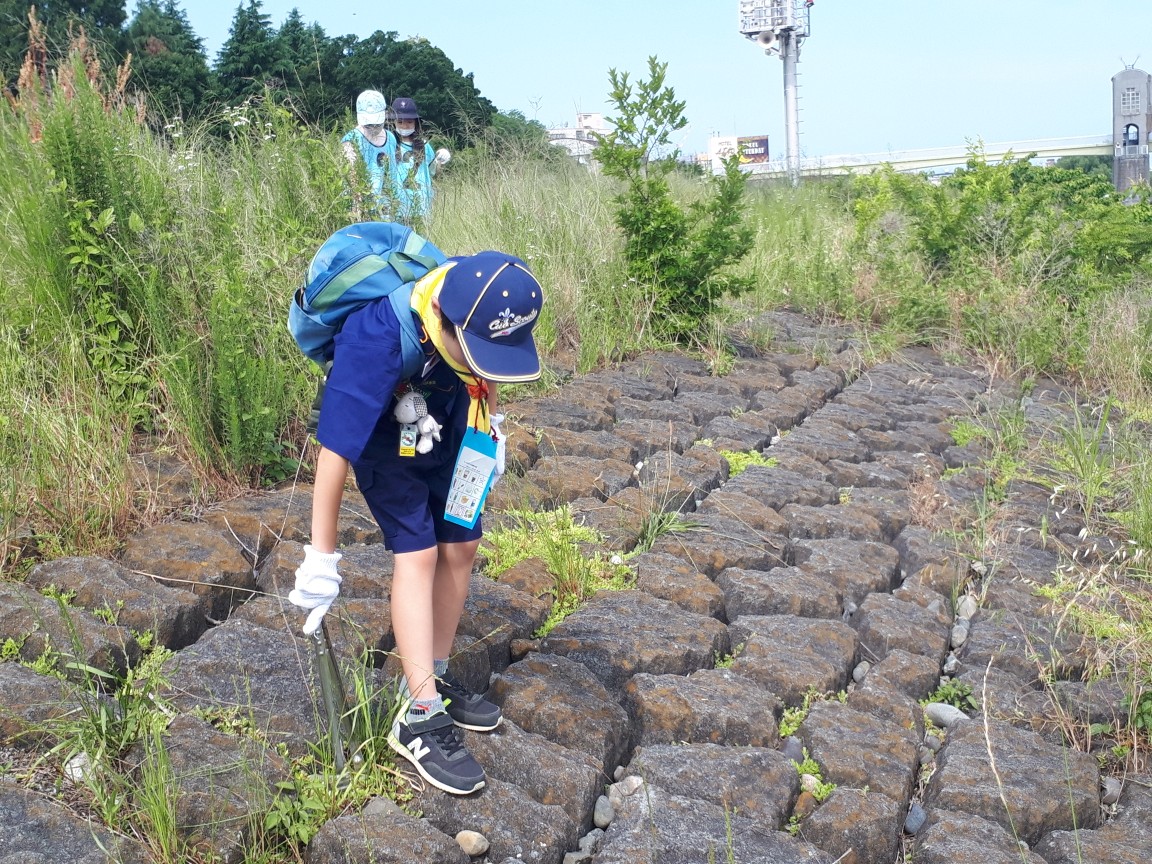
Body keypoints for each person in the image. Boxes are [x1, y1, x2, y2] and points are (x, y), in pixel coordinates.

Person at [289, 249, 544, 796]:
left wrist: (489, 428)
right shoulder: (374, 341)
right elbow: (333, 454)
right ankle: (419, 714)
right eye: (474, 351)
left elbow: (485, 374)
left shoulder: (469, 306)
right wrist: (320, 556)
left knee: (462, 545)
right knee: (419, 552)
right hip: (385, 444)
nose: (483, 364)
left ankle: (436, 672)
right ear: (443, 322)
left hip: (450, 423)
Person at [382, 96, 451, 224]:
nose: (405, 125)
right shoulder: (387, 145)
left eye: (409, 122)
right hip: (395, 209)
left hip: (421, 208)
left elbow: (433, 172)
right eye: (400, 122)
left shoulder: (424, 146)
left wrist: (440, 161)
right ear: (393, 122)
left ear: (416, 122)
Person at [341, 90, 391, 221]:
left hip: (387, 207)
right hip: (362, 205)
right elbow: (352, 173)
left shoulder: (390, 137)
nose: (373, 127)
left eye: (377, 123)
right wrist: (358, 207)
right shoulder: (351, 140)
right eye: (369, 125)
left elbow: (393, 173)